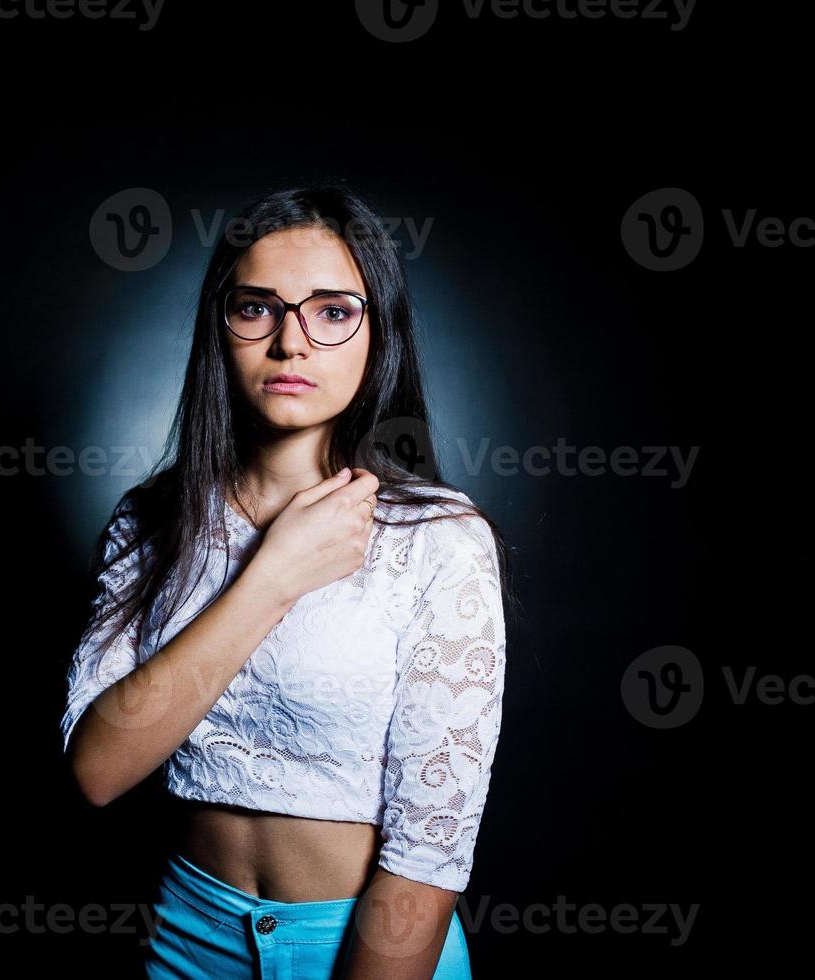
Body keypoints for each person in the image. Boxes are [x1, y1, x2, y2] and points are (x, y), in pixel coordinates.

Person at [61, 183, 510, 978]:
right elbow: (97, 771)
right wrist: (269, 578)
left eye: (332, 311)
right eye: (256, 308)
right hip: (185, 935)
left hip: (361, 943)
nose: (290, 343)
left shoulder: (438, 539)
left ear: (379, 334)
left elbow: (428, 852)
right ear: (220, 328)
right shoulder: (152, 520)